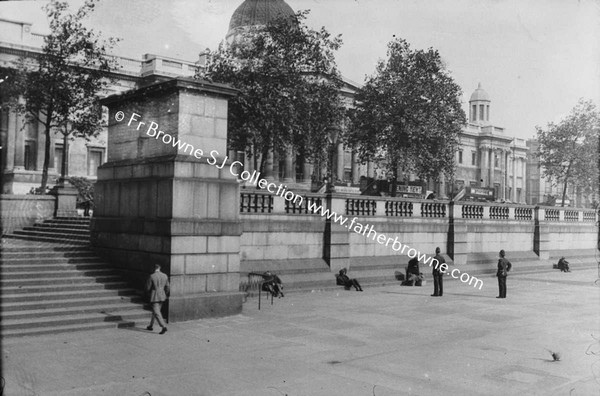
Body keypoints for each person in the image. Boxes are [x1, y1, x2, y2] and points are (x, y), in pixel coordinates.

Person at [146, 264, 170, 334]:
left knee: (157, 313)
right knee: (156, 311)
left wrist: (149, 294)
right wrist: (164, 293)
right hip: (162, 296)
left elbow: (147, 288)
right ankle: (150, 325)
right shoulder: (165, 275)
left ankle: (163, 327)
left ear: (154, 269)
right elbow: (168, 287)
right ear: (159, 268)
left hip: (154, 296)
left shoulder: (152, 276)